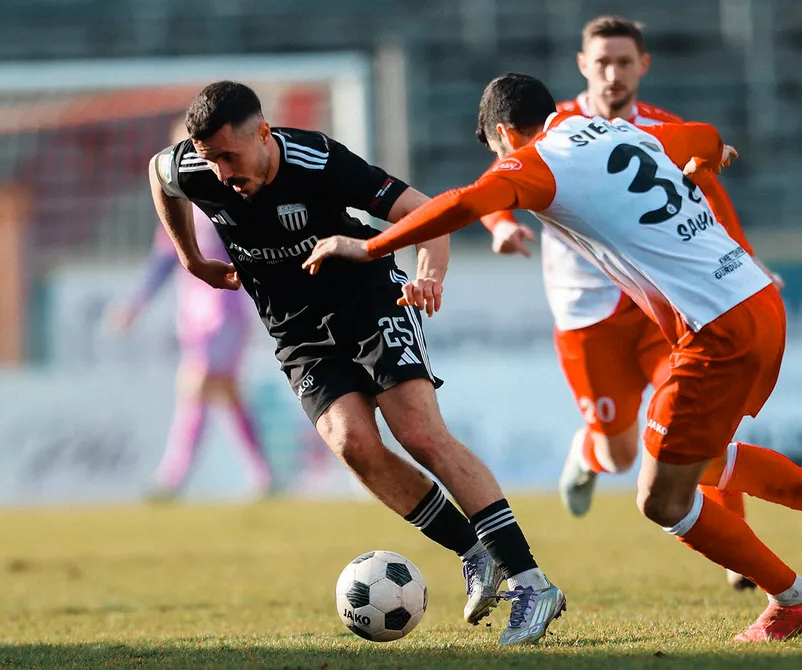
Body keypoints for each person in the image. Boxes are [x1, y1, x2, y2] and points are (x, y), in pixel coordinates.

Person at [302, 72, 802, 642]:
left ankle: (790, 599)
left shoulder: (540, 160)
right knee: (704, 462)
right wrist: (715, 152)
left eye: (494, 150)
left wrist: (366, 246)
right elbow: (703, 135)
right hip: (756, 302)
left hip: (717, 331)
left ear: (502, 134)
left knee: (663, 501)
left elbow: (463, 202)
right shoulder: (621, 132)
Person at [147, 80, 566, 645]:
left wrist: (428, 275)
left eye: (229, 156)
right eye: (208, 159)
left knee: (418, 433)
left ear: (265, 134)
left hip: (368, 299)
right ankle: (475, 553)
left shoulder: (320, 162)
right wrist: (190, 257)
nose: (220, 173)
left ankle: (531, 581)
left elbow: (427, 211)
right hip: (294, 326)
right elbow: (159, 173)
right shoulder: (195, 167)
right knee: (353, 445)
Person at [481, 16, 784, 591]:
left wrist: (745, 260)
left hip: (659, 309)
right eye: (602, 63)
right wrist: (500, 225)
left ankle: (739, 558)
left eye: (624, 62)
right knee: (620, 455)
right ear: (582, 67)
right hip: (585, 319)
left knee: (702, 426)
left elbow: (708, 197)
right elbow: (496, 182)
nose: (612, 74)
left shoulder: (660, 127)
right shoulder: (551, 127)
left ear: (643, 66)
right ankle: (590, 453)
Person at [109, 200, 273, 499]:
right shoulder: (176, 207)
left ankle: (173, 477)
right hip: (194, 315)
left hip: (225, 311)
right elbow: (162, 262)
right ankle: (263, 474)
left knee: (195, 387)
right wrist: (135, 305)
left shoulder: (223, 200)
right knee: (227, 393)